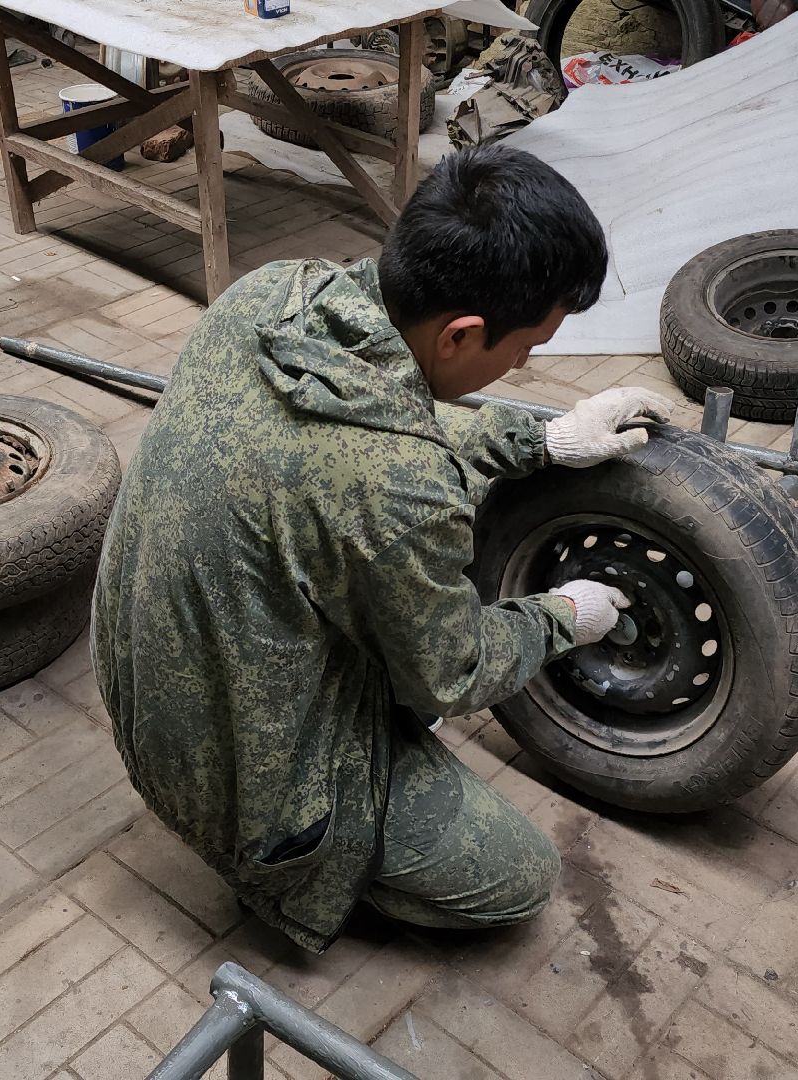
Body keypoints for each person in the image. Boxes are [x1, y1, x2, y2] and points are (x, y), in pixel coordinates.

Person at [91, 143, 672, 953]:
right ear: (462, 332)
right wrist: (560, 617)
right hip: (243, 793)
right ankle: (291, 874)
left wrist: (544, 438)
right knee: (518, 876)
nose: (526, 362)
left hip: (145, 696)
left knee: (403, 553)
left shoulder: (274, 292)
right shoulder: (398, 485)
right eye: (527, 347)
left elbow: (381, 441)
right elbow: (455, 668)